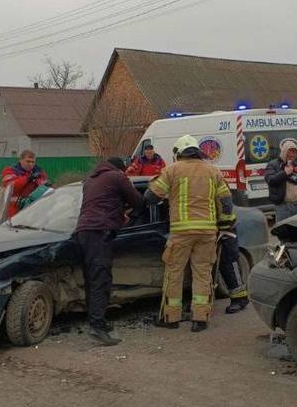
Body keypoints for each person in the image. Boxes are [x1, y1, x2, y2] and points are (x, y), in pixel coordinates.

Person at [146, 135, 236, 332]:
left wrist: (159, 183)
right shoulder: (213, 171)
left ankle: (171, 318)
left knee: (174, 273)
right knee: (203, 274)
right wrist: (226, 225)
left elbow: (151, 197)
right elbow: (226, 203)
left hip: (181, 233)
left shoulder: (172, 170)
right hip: (207, 232)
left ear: (178, 153)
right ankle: (200, 319)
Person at [75, 157, 144, 346]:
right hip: (100, 231)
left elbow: (99, 203)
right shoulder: (117, 176)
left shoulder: (90, 180)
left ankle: (98, 322)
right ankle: (97, 328)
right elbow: (138, 200)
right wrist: (128, 214)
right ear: (120, 168)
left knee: (92, 278)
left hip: (83, 232)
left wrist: (118, 209)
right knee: (101, 279)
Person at [264, 138, 297, 222]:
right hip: (283, 206)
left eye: (294, 153)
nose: (292, 156)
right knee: (284, 231)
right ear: (284, 152)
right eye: (289, 153)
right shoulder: (273, 164)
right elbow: (270, 181)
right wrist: (284, 173)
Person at [0, 150, 48, 217]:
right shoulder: (10, 170)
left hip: (34, 208)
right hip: (15, 209)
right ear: (20, 160)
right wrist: (27, 178)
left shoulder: (39, 171)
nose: (30, 164)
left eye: (32, 162)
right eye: (28, 161)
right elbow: (11, 186)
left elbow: (45, 186)